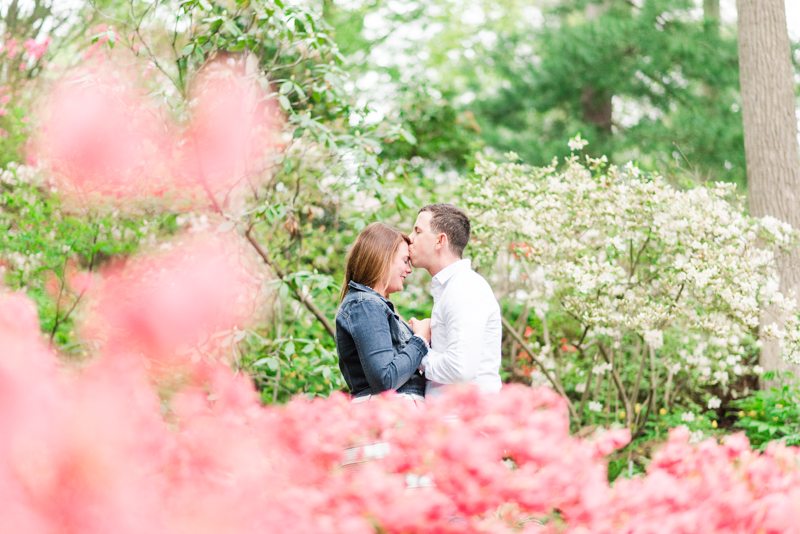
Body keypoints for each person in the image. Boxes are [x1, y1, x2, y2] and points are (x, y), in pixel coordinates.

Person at [407, 203, 502, 396]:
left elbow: (460, 368)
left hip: (464, 420)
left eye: (418, 231)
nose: (410, 238)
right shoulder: (452, 287)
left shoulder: (465, 287)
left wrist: (419, 348)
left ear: (440, 241)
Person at [336, 222, 430, 404]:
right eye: (405, 261)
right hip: (390, 413)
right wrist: (420, 340)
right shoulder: (365, 305)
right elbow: (385, 380)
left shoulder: (374, 305)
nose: (409, 270)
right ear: (383, 258)